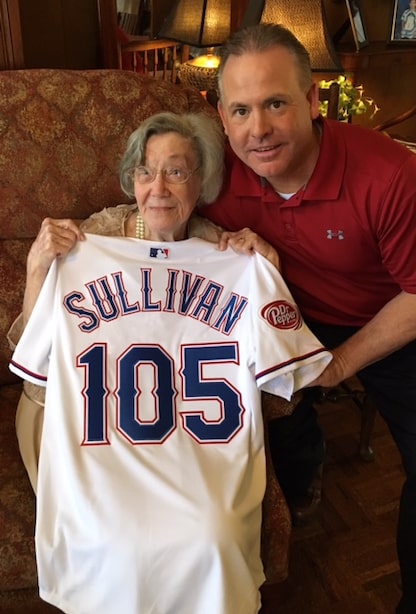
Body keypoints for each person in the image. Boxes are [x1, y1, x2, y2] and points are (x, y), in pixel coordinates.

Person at [9, 111, 332, 614]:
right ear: (131, 179)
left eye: (176, 171)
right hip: (74, 421)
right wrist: (37, 267)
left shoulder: (224, 251)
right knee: (106, 534)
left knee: (211, 535)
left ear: (201, 181)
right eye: (145, 171)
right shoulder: (90, 241)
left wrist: (267, 270)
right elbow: (35, 353)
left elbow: (283, 371)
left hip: (191, 440)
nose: (157, 187)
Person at [200, 23, 416, 614]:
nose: (259, 130)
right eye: (242, 110)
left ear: (311, 101)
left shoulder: (392, 177)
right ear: (222, 119)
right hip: (290, 314)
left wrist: (341, 364)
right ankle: (303, 471)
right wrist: (218, 234)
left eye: (276, 103)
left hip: (393, 318)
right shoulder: (218, 173)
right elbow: (164, 213)